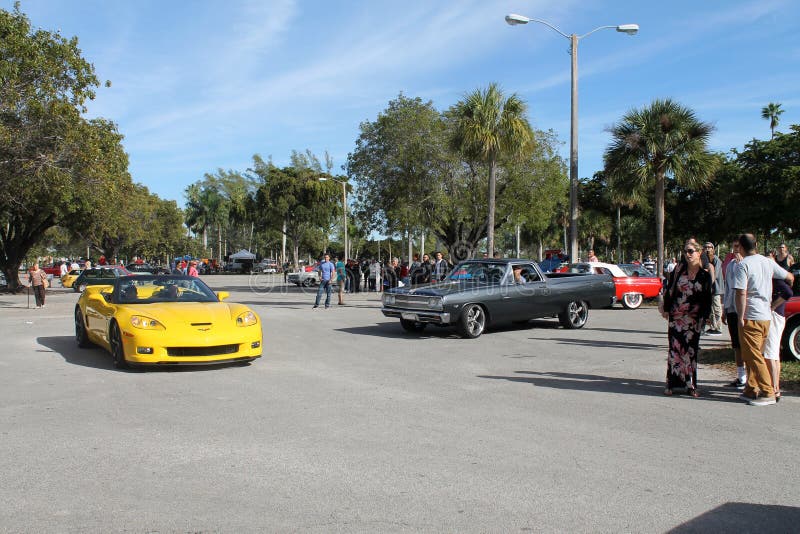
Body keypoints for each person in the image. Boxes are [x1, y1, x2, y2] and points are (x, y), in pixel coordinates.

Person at [733, 233, 794, 406]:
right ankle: (751, 388)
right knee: (754, 354)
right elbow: (789, 277)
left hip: (750, 315)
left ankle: (767, 391)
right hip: (766, 316)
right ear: (756, 245)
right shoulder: (767, 262)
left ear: (741, 248)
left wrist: (740, 316)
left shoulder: (743, 265)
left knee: (752, 355)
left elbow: (741, 292)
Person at [660, 239, 713, 397]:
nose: (688, 254)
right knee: (674, 350)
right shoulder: (679, 270)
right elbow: (670, 290)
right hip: (676, 318)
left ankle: (691, 385)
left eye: (691, 251)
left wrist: (706, 316)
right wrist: (666, 308)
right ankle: (671, 384)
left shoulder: (704, 275)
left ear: (699, 253)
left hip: (693, 320)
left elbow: (707, 298)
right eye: (685, 251)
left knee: (690, 352)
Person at [763, 277, 793, 402]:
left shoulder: (776, 279)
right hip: (776, 316)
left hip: (775, 316)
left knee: (770, 354)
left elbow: (788, 292)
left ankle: (774, 388)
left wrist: (773, 306)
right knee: (773, 354)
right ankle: (774, 385)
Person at [722, 239, 746, 389]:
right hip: (731, 308)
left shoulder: (748, 264)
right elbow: (728, 287)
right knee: (736, 345)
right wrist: (725, 309)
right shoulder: (731, 264)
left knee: (746, 345)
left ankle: (751, 378)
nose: (735, 249)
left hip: (744, 311)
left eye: (738, 246)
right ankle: (741, 377)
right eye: (734, 246)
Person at [703, 242, 724, 335]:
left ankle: (718, 328)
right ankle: (712, 326)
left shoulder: (716, 259)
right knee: (710, 308)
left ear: (713, 249)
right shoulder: (705, 260)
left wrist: (707, 271)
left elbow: (715, 274)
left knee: (716, 308)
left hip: (716, 288)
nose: (707, 249)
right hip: (708, 289)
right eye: (706, 247)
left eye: (709, 247)